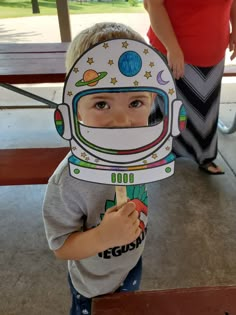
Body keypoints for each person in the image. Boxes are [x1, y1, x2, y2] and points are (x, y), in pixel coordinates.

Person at [43, 22, 154, 315]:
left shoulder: (142, 156)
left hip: (130, 264)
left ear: (153, 100)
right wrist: (104, 237)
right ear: (75, 105)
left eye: (135, 102)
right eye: (102, 103)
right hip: (90, 285)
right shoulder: (68, 180)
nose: (122, 121)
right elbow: (61, 247)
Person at [144, 0, 236, 174]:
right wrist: (173, 48)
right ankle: (159, 153)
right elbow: (152, 5)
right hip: (171, 50)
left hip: (214, 49)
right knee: (168, 107)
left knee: (206, 112)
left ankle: (204, 156)